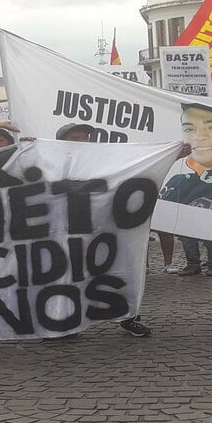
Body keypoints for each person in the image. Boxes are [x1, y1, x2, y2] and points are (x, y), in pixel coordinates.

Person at [53, 121, 151, 337]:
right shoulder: (50, 163)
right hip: (69, 230)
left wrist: (172, 155)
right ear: (62, 142)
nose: (81, 141)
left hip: (107, 227)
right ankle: (66, 322)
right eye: (74, 138)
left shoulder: (105, 159)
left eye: (83, 137)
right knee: (70, 276)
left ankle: (129, 317)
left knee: (120, 272)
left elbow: (141, 166)